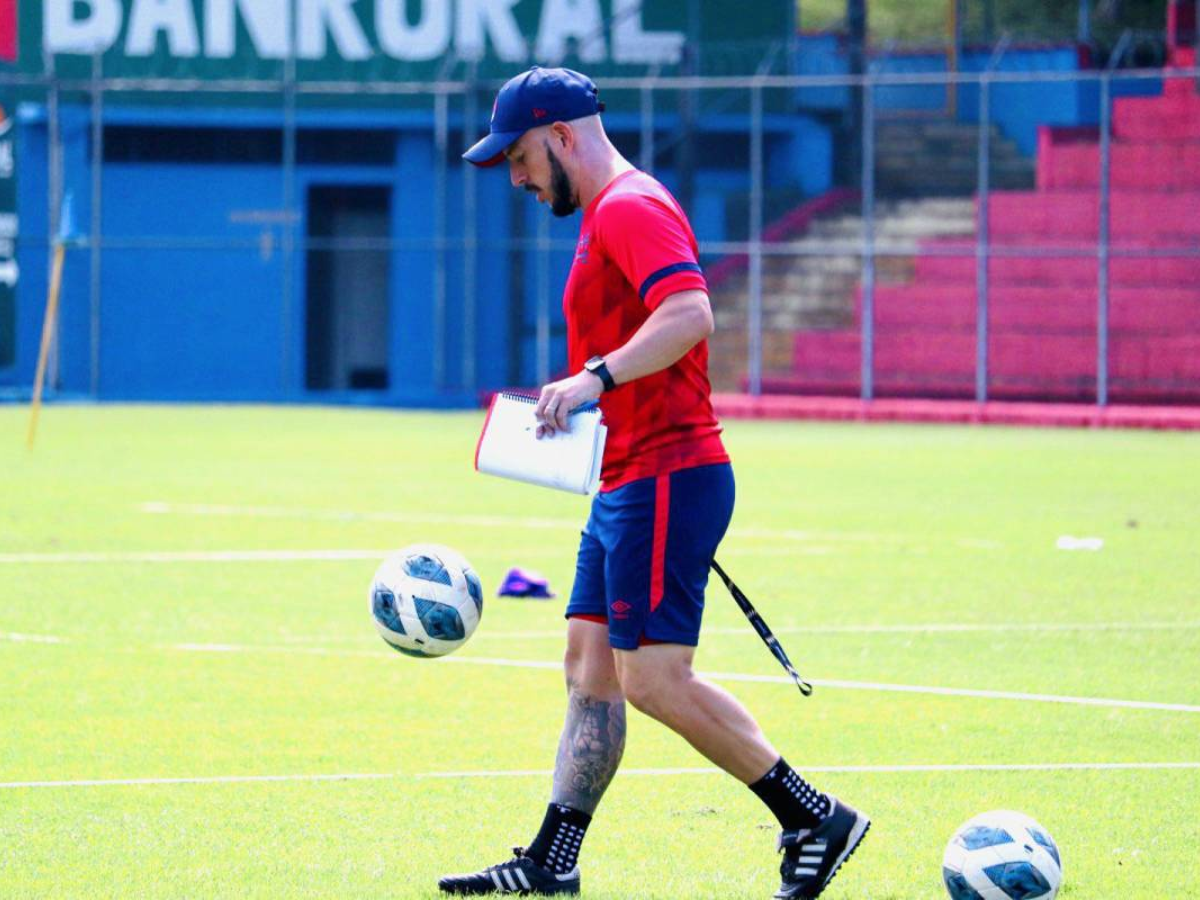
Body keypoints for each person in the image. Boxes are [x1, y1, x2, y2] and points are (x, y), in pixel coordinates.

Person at [441, 67, 869, 900]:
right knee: (588, 666)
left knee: (653, 679)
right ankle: (550, 862)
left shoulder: (631, 207)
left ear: (562, 136)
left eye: (521, 159)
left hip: (669, 473)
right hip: (626, 475)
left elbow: (690, 313)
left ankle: (813, 817)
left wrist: (594, 378)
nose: (518, 179)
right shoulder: (605, 212)